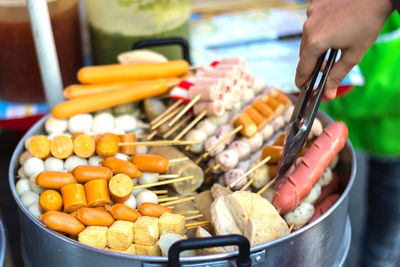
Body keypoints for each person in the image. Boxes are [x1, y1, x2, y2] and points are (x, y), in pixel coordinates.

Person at [296, 0, 400, 266]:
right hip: (338, 98)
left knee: (390, 194)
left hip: (393, 106)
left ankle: (381, 257)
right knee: (332, 175)